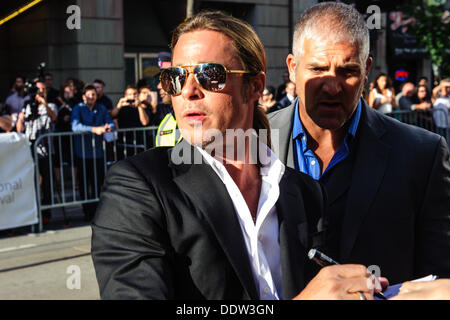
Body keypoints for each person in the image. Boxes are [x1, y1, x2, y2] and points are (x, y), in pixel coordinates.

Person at [91, 10, 378, 300]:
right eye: (175, 77)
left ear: (254, 86)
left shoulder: (305, 192)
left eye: (210, 75)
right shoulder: (138, 186)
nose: (188, 90)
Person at [268, 2, 450, 286]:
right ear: (292, 68)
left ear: (367, 70)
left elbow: (440, 278)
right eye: (317, 69)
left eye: (347, 71)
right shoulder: (251, 144)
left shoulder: (421, 155)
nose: (332, 86)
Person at [16, 78, 58, 224]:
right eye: (37, 90)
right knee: (31, 183)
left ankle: (46, 214)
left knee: (47, 183)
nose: (40, 92)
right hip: (30, 151)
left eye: (42, 90)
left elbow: (54, 118)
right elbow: (19, 129)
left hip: (46, 150)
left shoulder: (51, 105)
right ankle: (33, 214)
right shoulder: (26, 106)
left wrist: (43, 103)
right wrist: (20, 119)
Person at [71, 84, 115, 221]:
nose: (91, 97)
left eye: (93, 95)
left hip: (98, 153)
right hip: (83, 152)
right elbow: (75, 126)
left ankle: (98, 211)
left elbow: (110, 122)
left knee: (98, 183)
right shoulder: (78, 108)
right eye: (89, 95)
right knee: (84, 184)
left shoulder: (101, 107)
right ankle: (87, 212)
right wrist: (93, 129)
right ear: (84, 96)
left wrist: (108, 127)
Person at [111, 85, 150, 158]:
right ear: (125, 96)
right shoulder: (121, 107)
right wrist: (119, 106)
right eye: (130, 94)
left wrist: (139, 106)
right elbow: (112, 115)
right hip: (123, 144)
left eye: (134, 94)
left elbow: (145, 122)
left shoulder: (142, 107)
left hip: (138, 144)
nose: (132, 96)